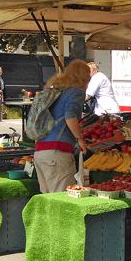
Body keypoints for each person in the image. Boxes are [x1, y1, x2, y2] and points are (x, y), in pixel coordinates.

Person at [33, 59, 90, 193]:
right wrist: (79, 138)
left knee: (48, 199)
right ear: (83, 77)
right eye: (88, 76)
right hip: (57, 153)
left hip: (40, 152)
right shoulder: (76, 92)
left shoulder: (57, 89)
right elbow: (70, 116)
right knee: (62, 198)